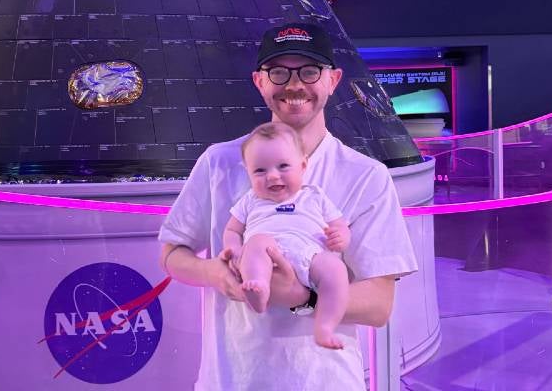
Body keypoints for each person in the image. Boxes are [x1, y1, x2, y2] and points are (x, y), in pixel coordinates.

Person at [158, 22, 417, 390]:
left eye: (309, 71)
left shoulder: (365, 176)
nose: (294, 84)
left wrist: (301, 297)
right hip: (234, 380)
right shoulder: (219, 163)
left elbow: (379, 305)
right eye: (278, 72)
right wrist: (217, 276)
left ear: (333, 79)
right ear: (259, 81)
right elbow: (171, 253)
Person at [222, 121, 350, 350]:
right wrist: (234, 249)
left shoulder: (314, 196)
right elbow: (232, 230)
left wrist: (340, 237)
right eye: (260, 170)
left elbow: (340, 225)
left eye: (283, 166)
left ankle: (325, 327)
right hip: (265, 254)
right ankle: (259, 291)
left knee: (336, 270)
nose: (272, 176)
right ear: (248, 172)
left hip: (310, 255)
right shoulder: (251, 199)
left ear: (302, 166)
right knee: (257, 242)